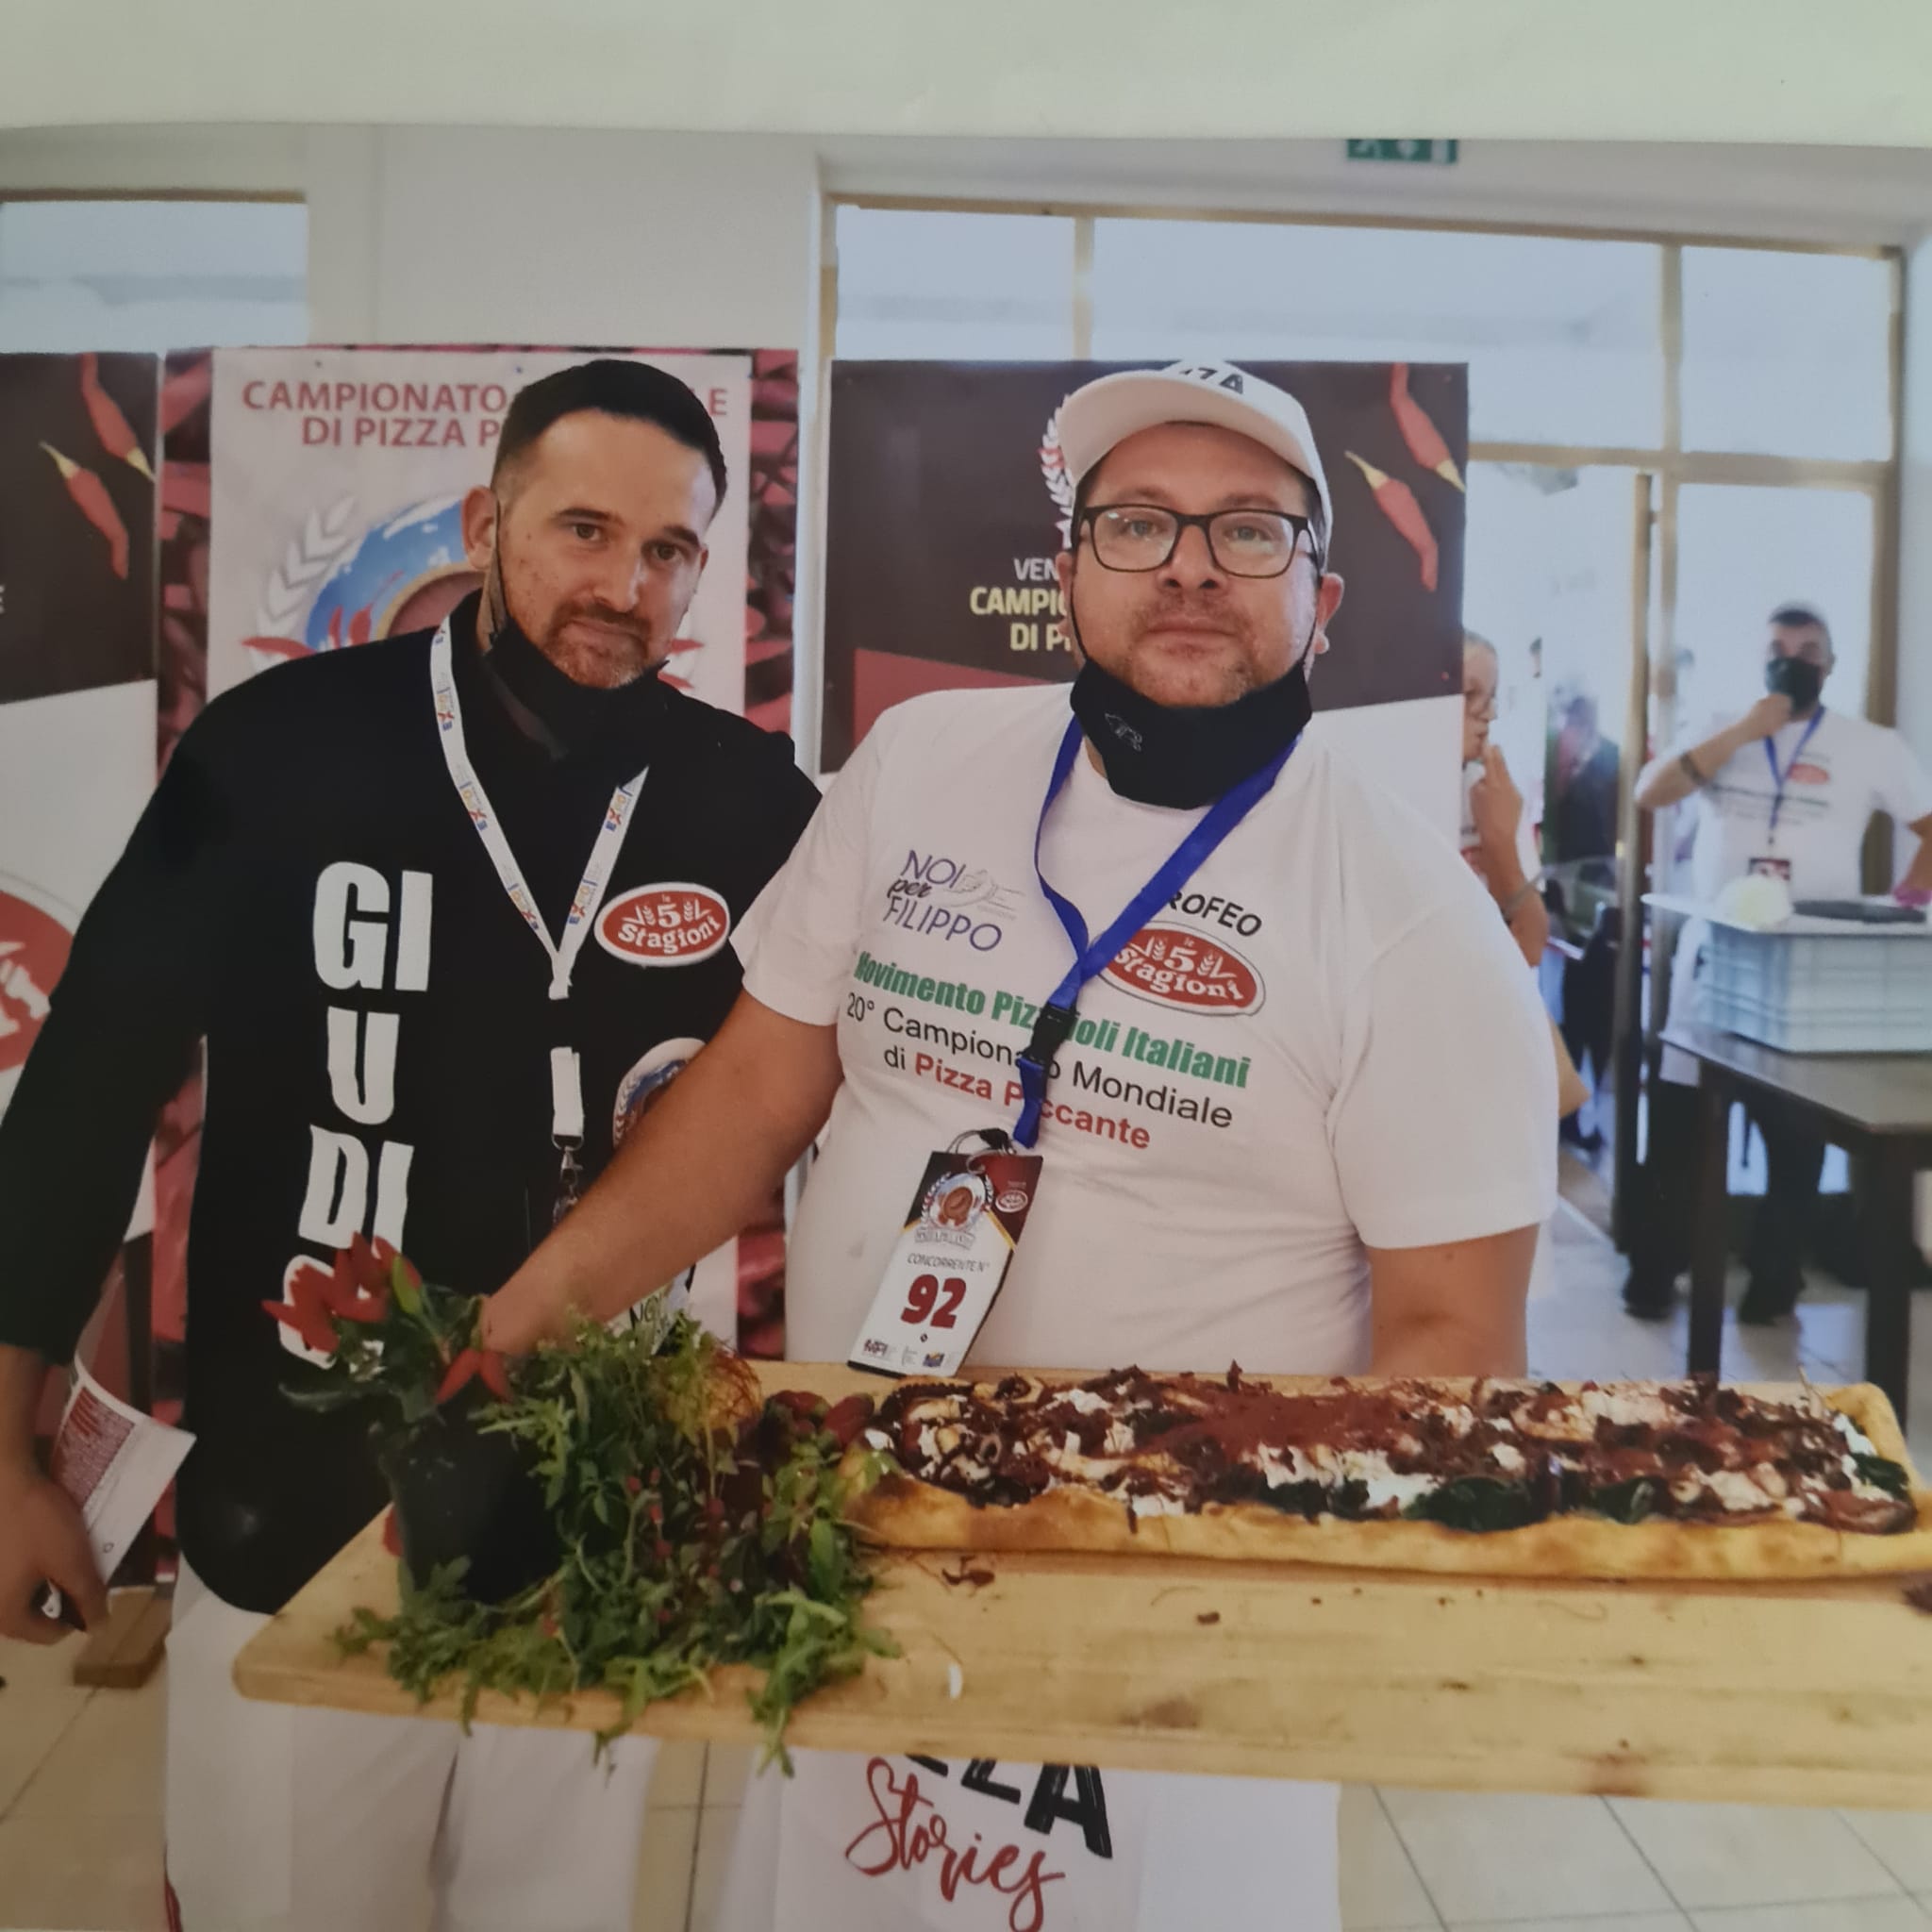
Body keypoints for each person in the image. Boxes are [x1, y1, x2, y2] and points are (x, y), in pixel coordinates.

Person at [484, 358, 1556, 1932]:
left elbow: (1452, 1344)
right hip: (851, 1552)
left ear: (1320, 599)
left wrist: (1289, 1632)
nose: (1188, 566)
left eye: (1247, 530)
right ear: (1064, 573)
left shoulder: (1410, 919)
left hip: (1174, 1633)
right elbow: (753, 1095)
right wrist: (524, 1318)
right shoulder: (919, 763)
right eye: (1136, 523)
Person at [0, 359, 820, 1932]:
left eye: (668, 550)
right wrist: (4, 1447)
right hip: (301, 1504)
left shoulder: (744, 801)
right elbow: (91, 1078)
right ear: (482, 522)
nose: (624, 584)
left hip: (592, 1528)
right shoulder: (278, 747)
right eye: (583, 529)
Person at [1625, 602, 1932, 1323]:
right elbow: (1650, 792)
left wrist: (1904, 904)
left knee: (1795, 1138)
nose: (1792, 661)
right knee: (1678, 1124)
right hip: (1714, 960)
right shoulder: (1722, 727)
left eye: (1808, 651)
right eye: (1778, 649)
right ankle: (1654, 1269)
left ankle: (1774, 1278)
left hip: (1807, 972)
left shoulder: (1870, 745)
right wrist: (1745, 732)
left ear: (1831, 664)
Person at [1461, 630, 1550, 970]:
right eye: (1470, 694)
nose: (1489, 714)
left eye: (1492, 696)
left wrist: (1501, 845)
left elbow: (1531, 947)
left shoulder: (1493, 789)